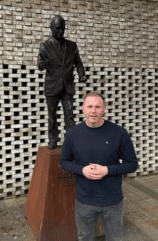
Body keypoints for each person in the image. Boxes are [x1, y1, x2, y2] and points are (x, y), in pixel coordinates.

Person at [60, 92, 138, 241]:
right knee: (85, 238)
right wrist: (81, 170)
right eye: (89, 106)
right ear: (83, 108)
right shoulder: (72, 133)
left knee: (116, 238)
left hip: (112, 200)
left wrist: (107, 170)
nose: (93, 111)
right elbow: (64, 161)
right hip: (84, 200)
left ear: (104, 109)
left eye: (97, 107)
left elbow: (132, 164)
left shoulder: (119, 133)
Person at [37, 15, 88, 149]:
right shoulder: (45, 46)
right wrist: (42, 65)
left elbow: (78, 63)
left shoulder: (72, 46)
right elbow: (40, 62)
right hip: (52, 86)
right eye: (58, 28)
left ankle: (70, 141)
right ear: (52, 28)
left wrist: (82, 74)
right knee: (52, 116)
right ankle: (53, 139)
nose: (61, 31)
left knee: (69, 116)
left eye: (63, 29)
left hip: (67, 86)